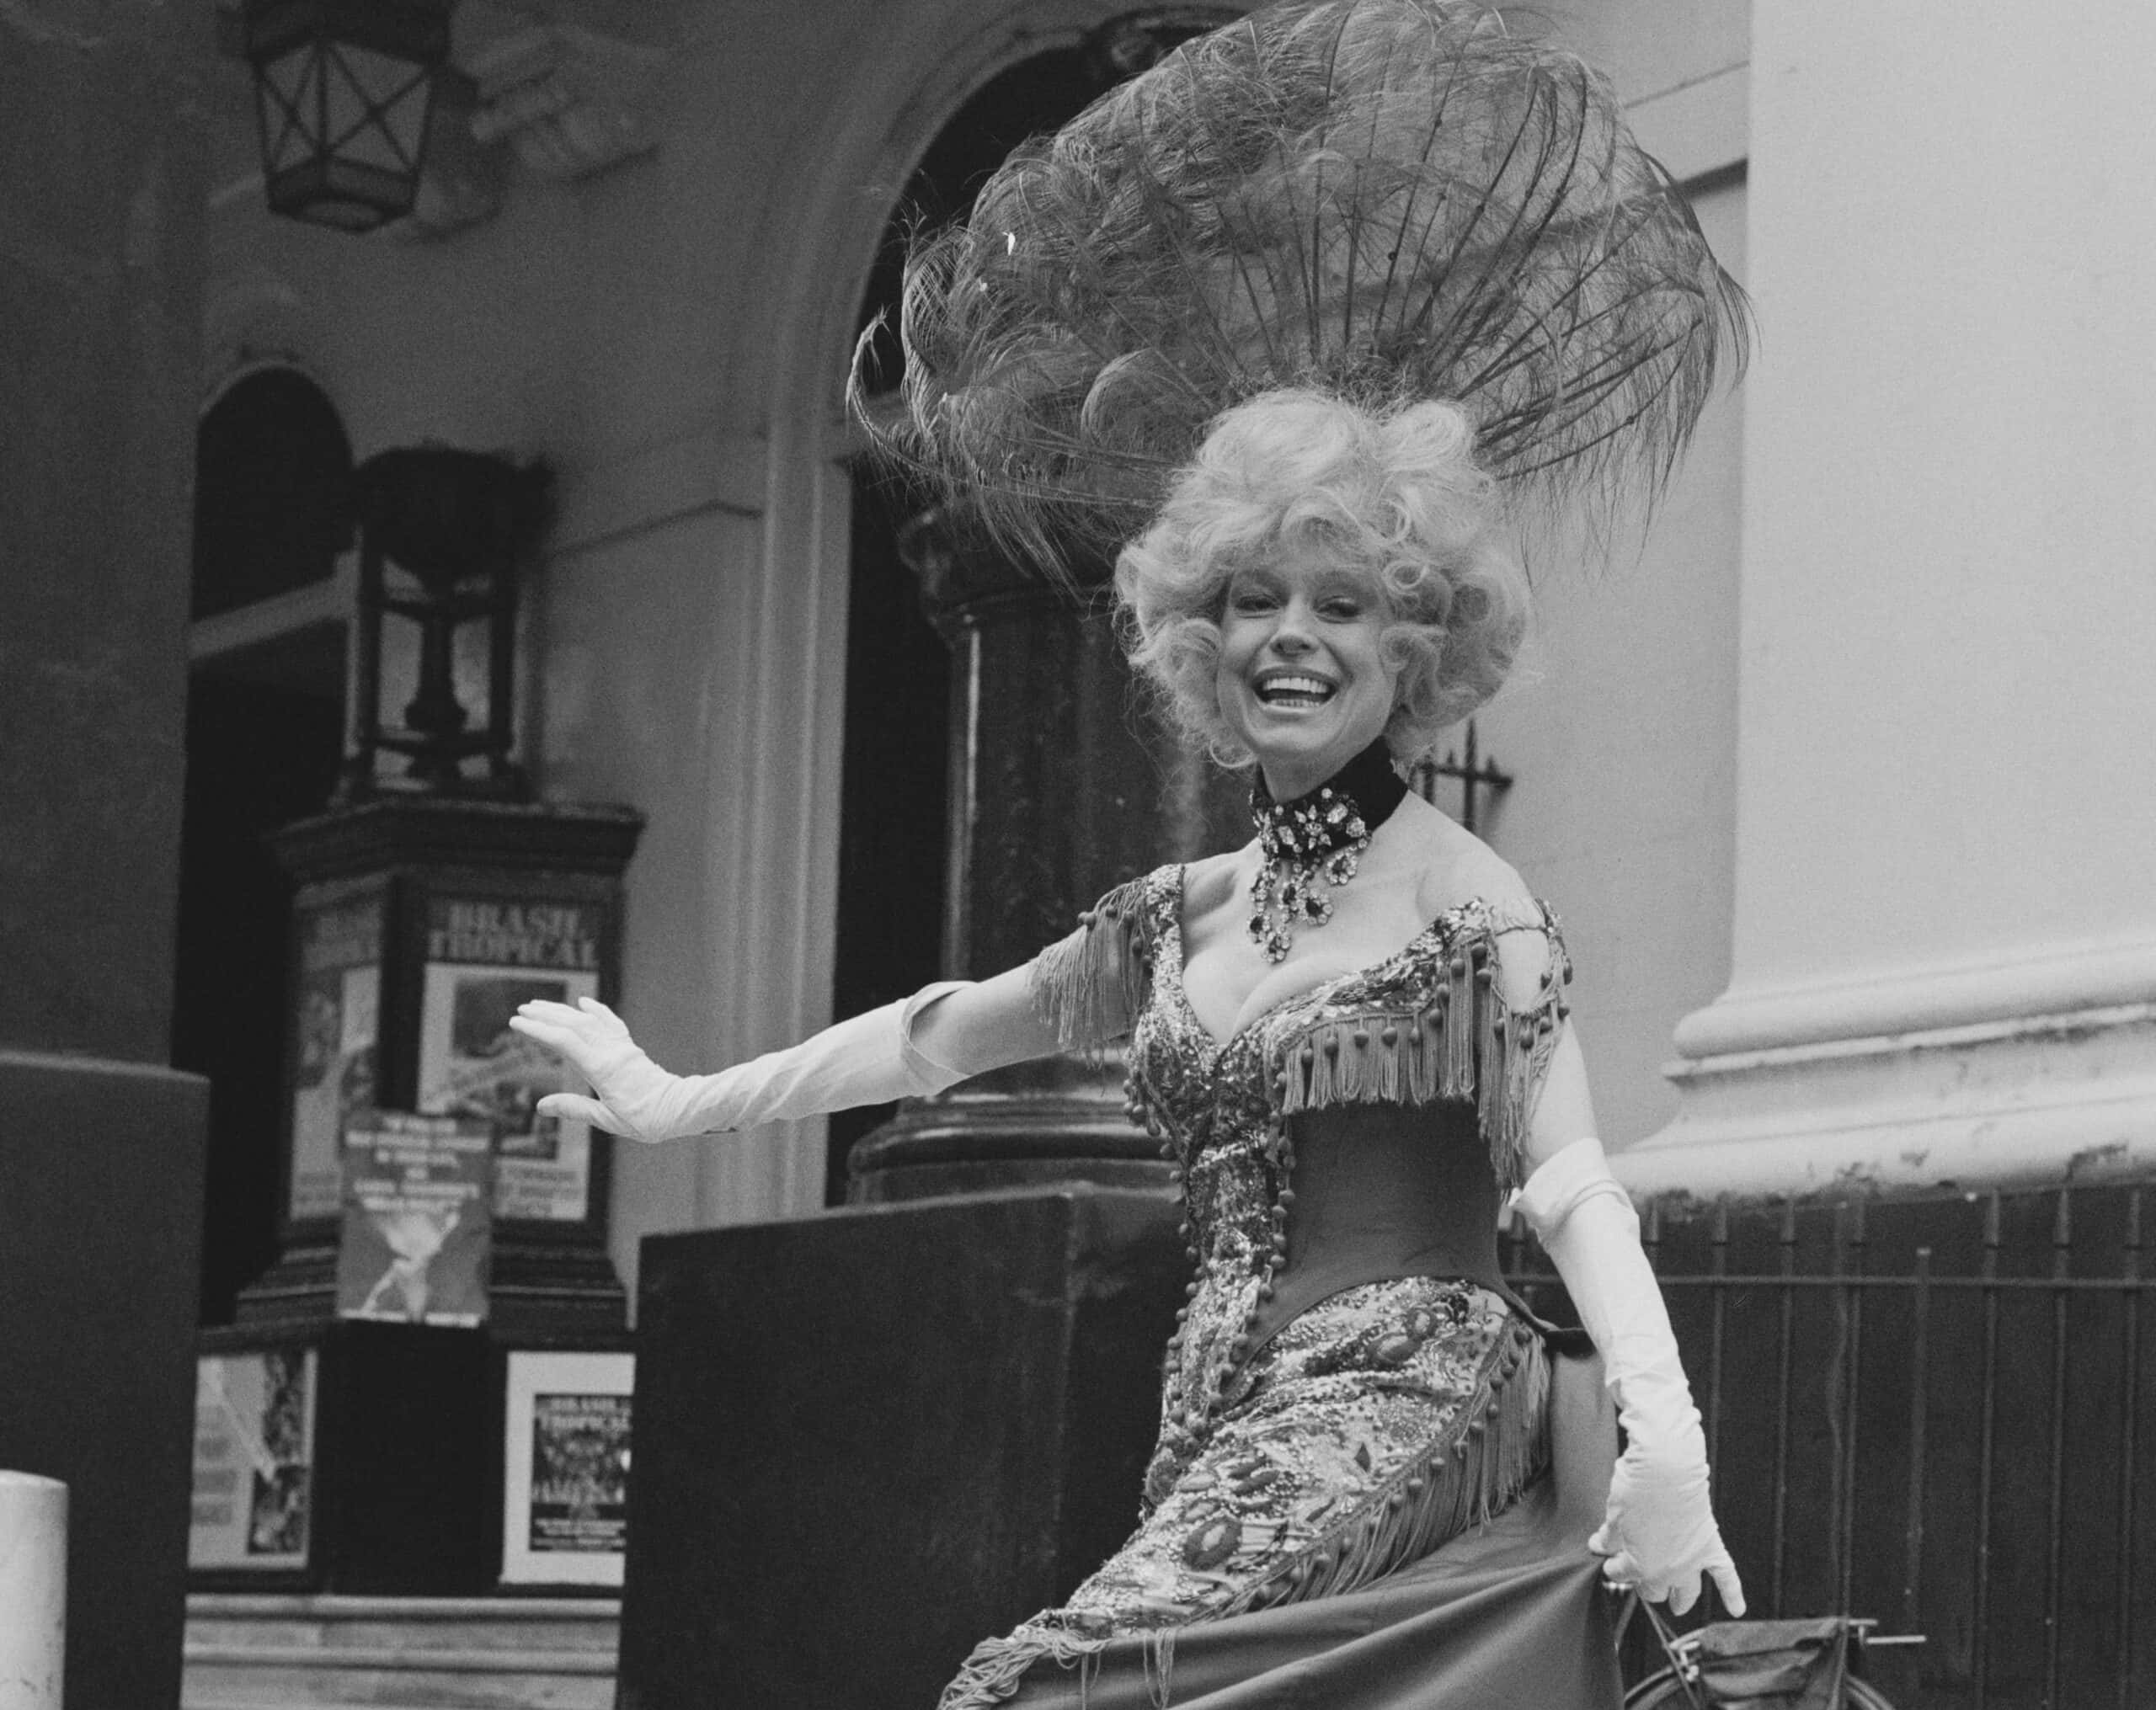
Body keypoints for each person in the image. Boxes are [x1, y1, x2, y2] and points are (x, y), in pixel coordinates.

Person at [511, 4, 1750, 1703]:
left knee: (1051, 1686)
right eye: (1252, 597)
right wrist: (671, 1102)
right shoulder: (1172, 918)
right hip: (1218, 1412)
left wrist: (1667, 1444)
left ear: (1414, 644)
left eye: (1341, 603)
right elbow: (935, 1037)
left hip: (1410, 1386)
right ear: (1198, 637)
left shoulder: (1472, 902)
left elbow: (1568, 1182)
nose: (1290, 635)